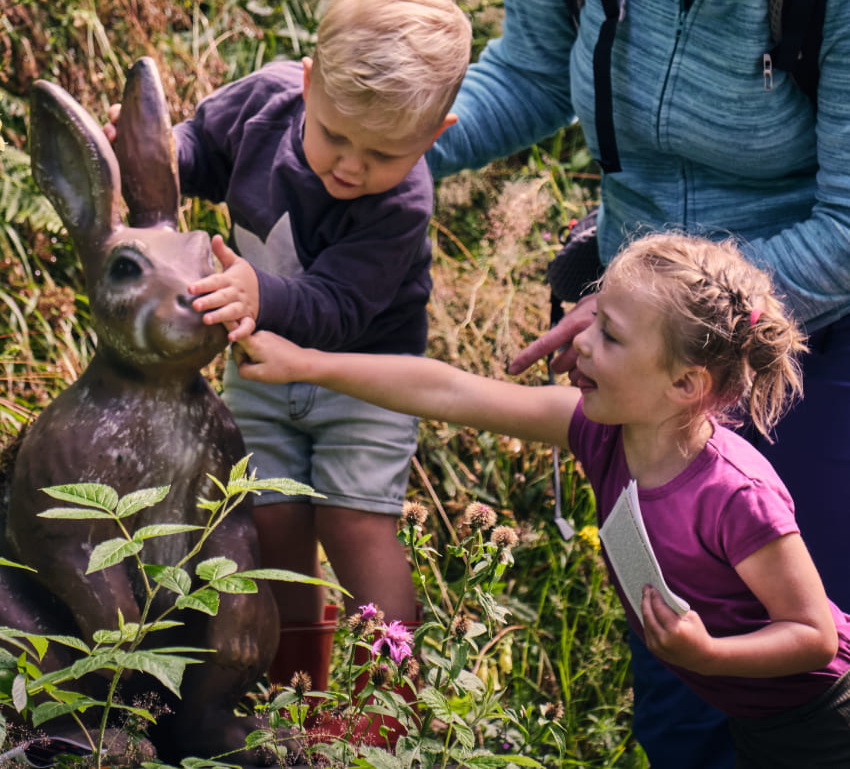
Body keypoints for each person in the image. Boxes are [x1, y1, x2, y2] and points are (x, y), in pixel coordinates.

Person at [423, 0, 850, 768]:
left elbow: (846, 232)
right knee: (682, 668)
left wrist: (666, 312)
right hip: (648, 338)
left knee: (797, 654)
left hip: (811, 329)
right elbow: (527, 70)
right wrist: (381, 152)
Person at [234, 232, 850, 769]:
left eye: (609, 335)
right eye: (595, 317)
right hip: (755, 714)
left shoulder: (734, 494)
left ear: (685, 384)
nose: (581, 342)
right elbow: (450, 392)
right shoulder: (599, 430)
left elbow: (813, 634)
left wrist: (709, 655)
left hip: (823, 723)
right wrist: (306, 363)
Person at [107, 0, 471, 708]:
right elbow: (199, 149)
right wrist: (150, 162)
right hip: (263, 372)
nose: (350, 165)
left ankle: (391, 697)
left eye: (381, 152)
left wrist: (258, 295)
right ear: (307, 84)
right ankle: (290, 689)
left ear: (436, 136)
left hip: (364, 379)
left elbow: (337, 306)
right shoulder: (263, 104)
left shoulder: (401, 201)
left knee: (353, 520)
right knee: (268, 518)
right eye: (335, 135)